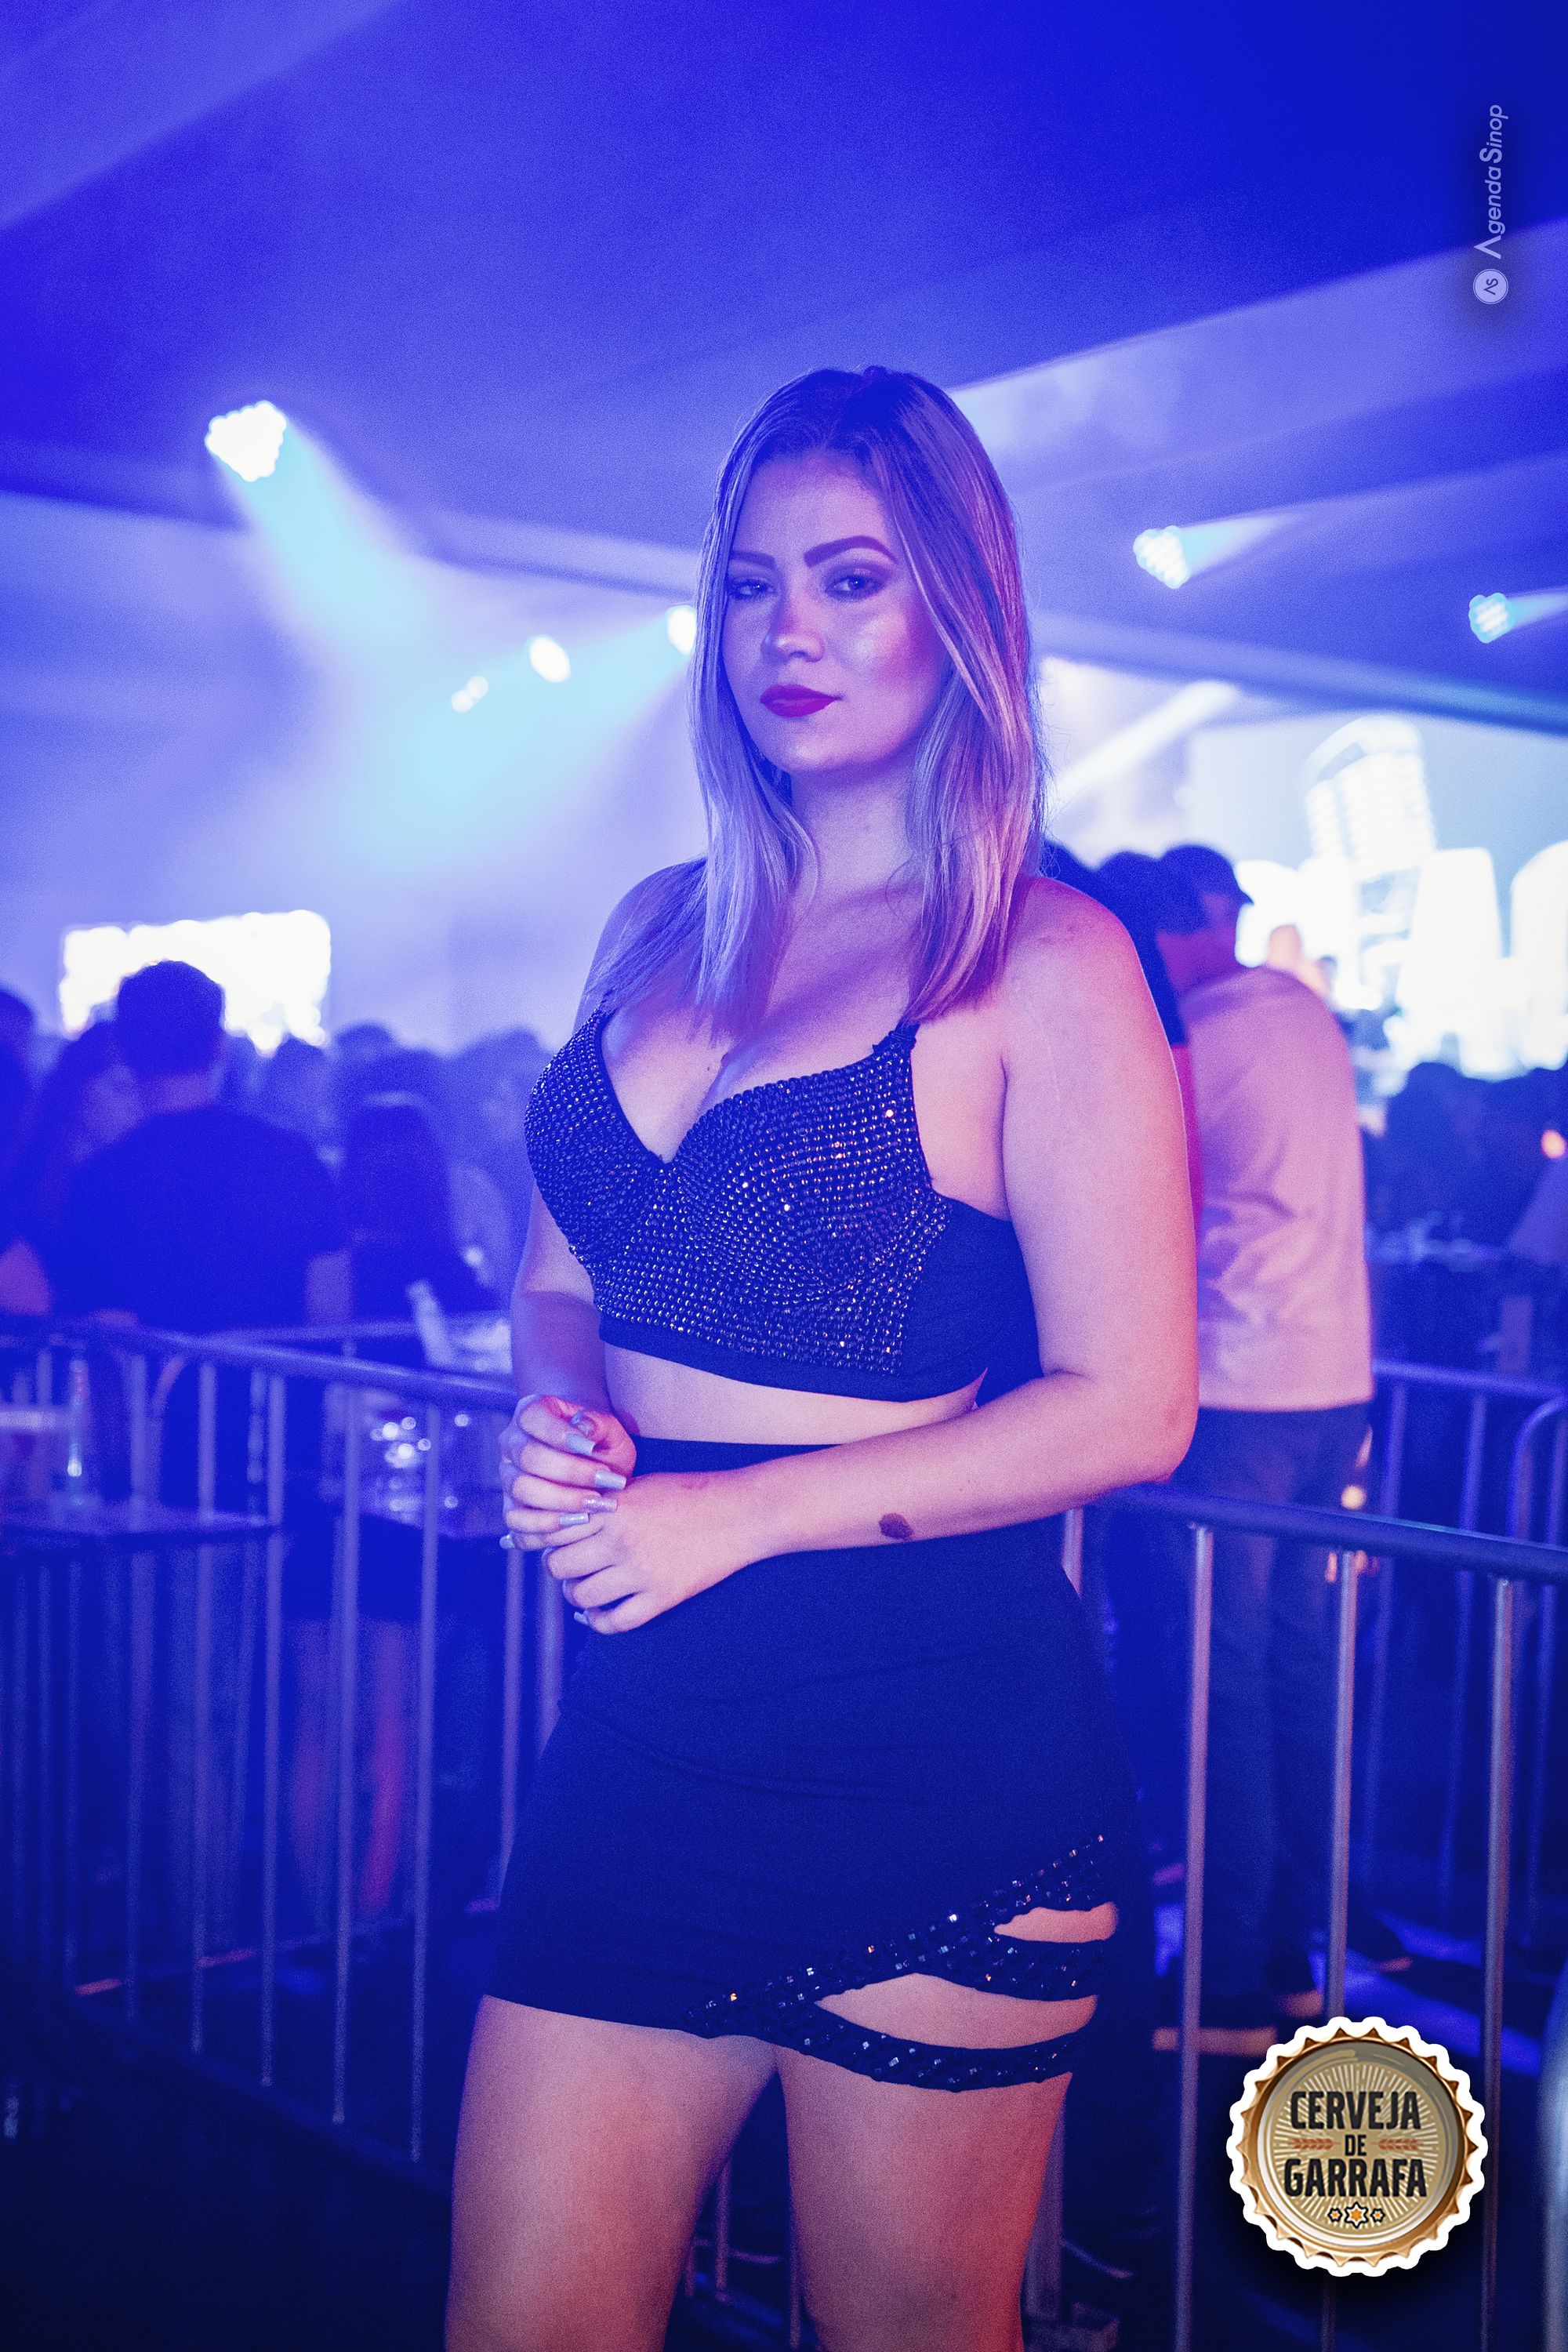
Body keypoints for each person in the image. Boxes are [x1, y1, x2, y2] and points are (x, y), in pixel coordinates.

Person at [449, 367, 1196, 2352]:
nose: (788, 630)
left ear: (956, 610)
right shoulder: (653, 927)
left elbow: (1134, 1402)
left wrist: (735, 1514)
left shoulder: (1043, 957)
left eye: (850, 579)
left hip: (931, 1765)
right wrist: (559, 1402)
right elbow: (554, 1270)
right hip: (638, 1750)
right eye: (751, 582)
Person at [1149, 841, 1381, 2049]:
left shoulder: (1208, 1034)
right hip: (1334, 1383)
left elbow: (1152, 1200)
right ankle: (1293, 1948)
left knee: (1223, 1682)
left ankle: (1231, 1971)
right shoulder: (1305, 1017)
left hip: (1242, 1389)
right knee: (1295, 1671)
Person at [51, 962, 345, 1499]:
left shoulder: (100, 1179)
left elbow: (106, 1335)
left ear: (127, 1051)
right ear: (219, 1046)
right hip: (277, 1447)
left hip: (155, 1466)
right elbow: (329, 1310)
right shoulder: (291, 1158)